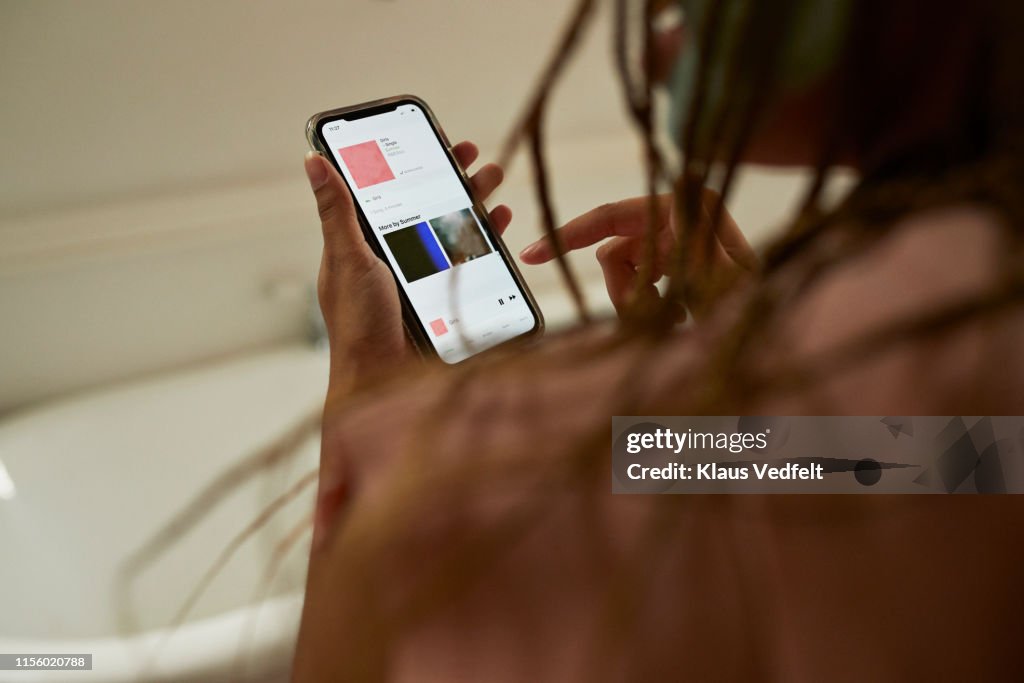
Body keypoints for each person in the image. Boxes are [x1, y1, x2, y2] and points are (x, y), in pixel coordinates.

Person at [292, 0, 1024, 680]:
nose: (651, 54)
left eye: (682, 9)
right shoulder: (979, 297)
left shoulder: (536, 468)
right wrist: (747, 325)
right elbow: (948, 457)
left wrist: (365, 377)